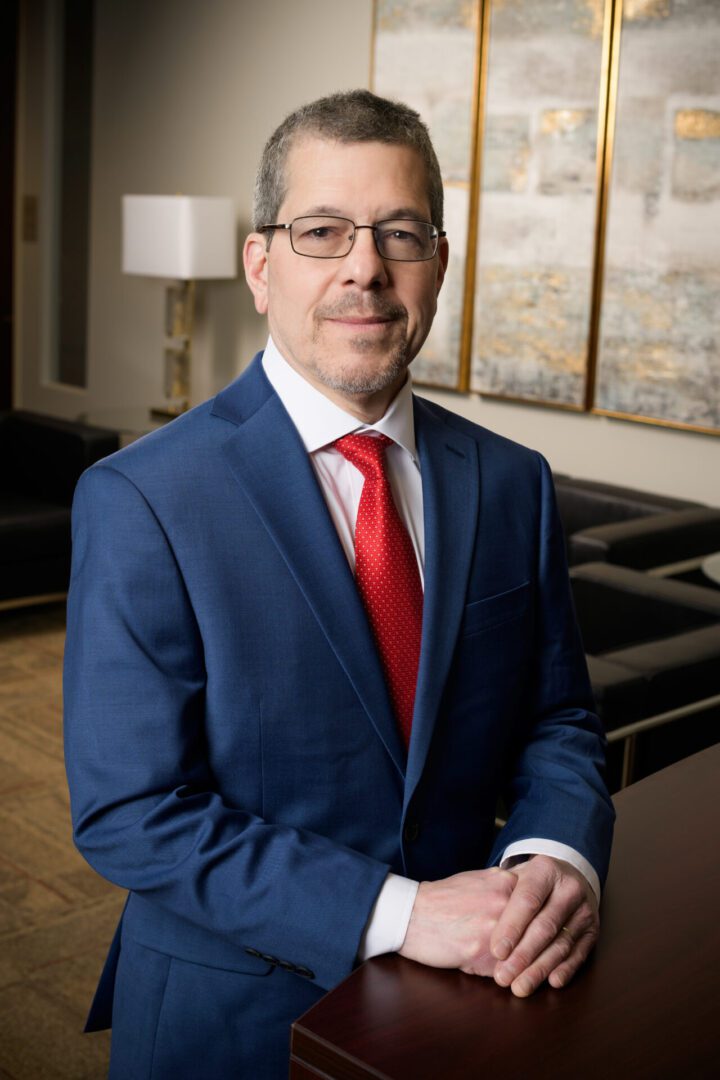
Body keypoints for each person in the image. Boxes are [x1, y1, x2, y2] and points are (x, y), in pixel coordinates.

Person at [64, 90, 614, 1079]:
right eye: (322, 231)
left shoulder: (513, 481)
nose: (365, 267)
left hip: (479, 990)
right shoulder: (144, 496)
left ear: (439, 263)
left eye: (400, 233)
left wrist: (553, 859)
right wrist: (401, 913)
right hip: (236, 1012)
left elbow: (557, 717)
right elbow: (132, 811)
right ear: (260, 264)